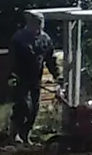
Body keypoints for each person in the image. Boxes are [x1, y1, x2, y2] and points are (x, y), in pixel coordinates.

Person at [9, 12, 59, 143]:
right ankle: (13, 135)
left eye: (40, 25)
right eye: (36, 24)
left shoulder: (45, 39)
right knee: (23, 106)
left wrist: (57, 75)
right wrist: (12, 75)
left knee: (34, 109)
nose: (38, 27)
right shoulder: (19, 38)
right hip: (20, 78)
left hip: (36, 78)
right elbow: (12, 59)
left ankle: (26, 135)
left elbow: (50, 59)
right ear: (30, 23)